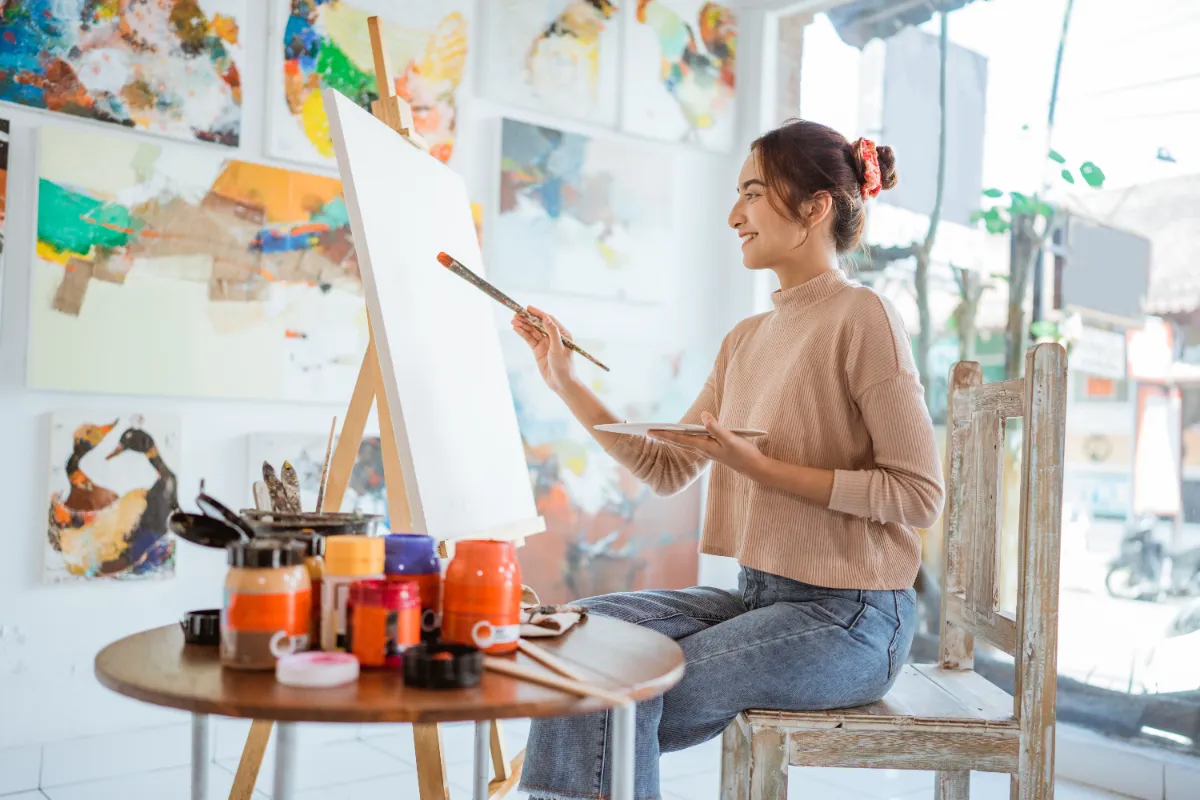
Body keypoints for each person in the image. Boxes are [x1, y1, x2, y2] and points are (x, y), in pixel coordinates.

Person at [509, 119, 945, 800]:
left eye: (751, 193)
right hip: (758, 596)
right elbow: (666, 466)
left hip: (854, 621)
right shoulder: (746, 339)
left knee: (616, 692)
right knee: (579, 638)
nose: (733, 214)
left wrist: (764, 471)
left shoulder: (865, 318)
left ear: (814, 208)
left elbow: (919, 495)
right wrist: (564, 378)